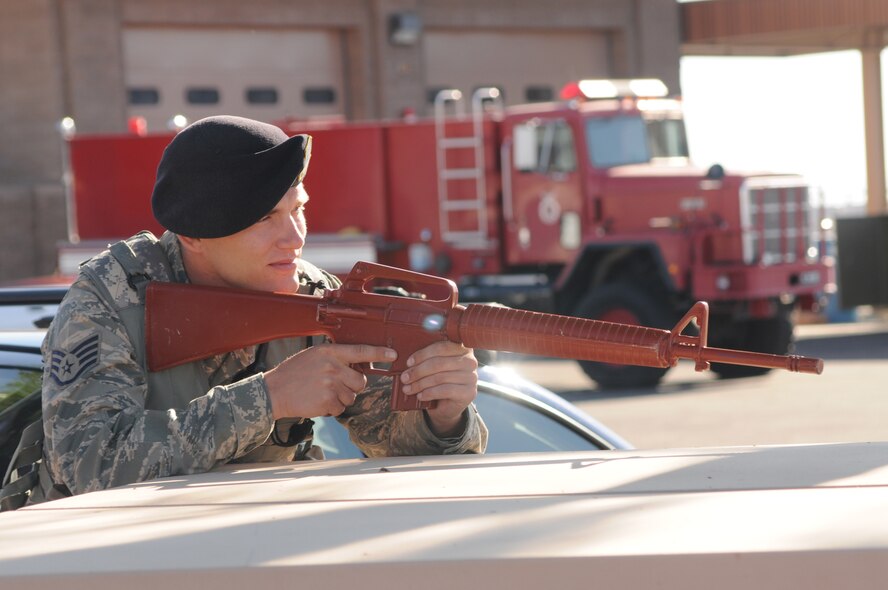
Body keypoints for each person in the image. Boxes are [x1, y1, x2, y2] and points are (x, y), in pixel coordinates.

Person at [31, 115, 488, 502]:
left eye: (298, 209)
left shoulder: (313, 296)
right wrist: (269, 398)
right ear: (193, 236)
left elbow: (395, 447)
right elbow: (88, 465)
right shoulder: (111, 302)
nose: (295, 237)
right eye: (266, 218)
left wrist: (442, 416)